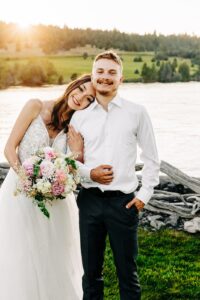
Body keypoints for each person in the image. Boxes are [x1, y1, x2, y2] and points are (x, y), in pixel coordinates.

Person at [69, 51, 160, 300]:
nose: (105, 77)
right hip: (89, 201)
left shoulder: (136, 112)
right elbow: (69, 163)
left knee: (127, 274)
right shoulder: (80, 116)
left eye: (111, 72)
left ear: (121, 78)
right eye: (100, 71)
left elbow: (152, 158)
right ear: (93, 75)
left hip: (124, 203)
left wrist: (143, 197)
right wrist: (90, 173)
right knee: (91, 275)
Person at [0, 74, 95, 300]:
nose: (81, 98)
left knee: (52, 255)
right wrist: (26, 179)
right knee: (20, 251)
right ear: (73, 85)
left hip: (56, 199)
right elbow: (10, 148)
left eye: (89, 98)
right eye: (81, 89)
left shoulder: (77, 127)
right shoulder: (35, 106)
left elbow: (74, 167)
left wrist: (78, 152)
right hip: (19, 192)